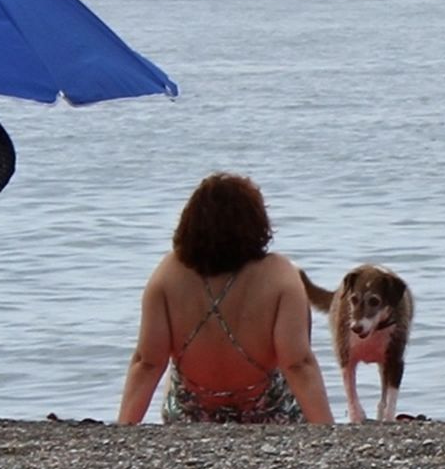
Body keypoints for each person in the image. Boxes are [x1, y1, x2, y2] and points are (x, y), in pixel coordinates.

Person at [117, 173, 335, 425]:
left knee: (171, 371)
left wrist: (124, 428)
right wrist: (326, 429)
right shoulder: (280, 275)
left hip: (191, 415)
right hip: (268, 414)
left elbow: (147, 362)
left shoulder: (167, 274)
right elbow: (298, 363)